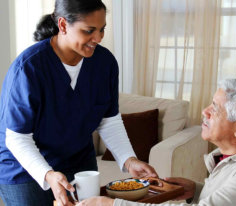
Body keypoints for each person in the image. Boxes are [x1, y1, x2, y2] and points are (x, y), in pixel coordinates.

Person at [0, 0, 157, 206]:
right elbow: (17, 138)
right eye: (89, 30)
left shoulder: (104, 63)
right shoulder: (30, 68)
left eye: (102, 30)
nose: (98, 38)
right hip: (25, 170)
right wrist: (48, 174)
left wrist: (129, 159)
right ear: (63, 25)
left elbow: (108, 119)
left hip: (79, 163)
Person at [77, 79, 236, 206]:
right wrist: (196, 190)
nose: (204, 111)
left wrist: (113, 204)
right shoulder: (226, 158)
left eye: (215, 108)